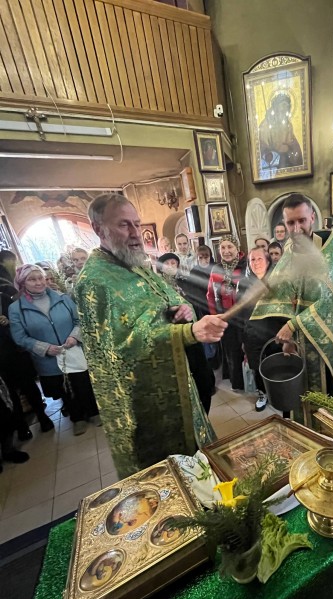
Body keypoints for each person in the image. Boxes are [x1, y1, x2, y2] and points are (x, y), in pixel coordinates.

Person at [78, 194, 226, 477]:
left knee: (196, 462)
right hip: (144, 397)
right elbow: (116, 348)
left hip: (178, 374)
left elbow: (164, 301)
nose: (135, 233)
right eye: (124, 225)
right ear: (99, 229)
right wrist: (188, 332)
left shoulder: (133, 263)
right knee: (168, 474)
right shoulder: (94, 281)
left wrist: (180, 310)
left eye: (136, 223)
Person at [251, 193, 333, 419]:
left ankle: (323, 437)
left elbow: (328, 301)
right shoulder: (289, 251)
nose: (297, 228)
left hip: (322, 341)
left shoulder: (328, 251)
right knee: (295, 399)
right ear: (284, 223)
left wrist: (293, 325)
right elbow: (279, 293)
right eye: (291, 222)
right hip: (296, 342)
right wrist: (287, 337)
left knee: (322, 400)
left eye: (302, 220)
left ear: (312, 218)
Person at [9, 264, 100, 436]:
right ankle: (77, 418)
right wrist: (45, 348)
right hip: (48, 359)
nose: (38, 282)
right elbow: (19, 337)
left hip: (73, 351)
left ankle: (94, 412)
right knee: (63, 389)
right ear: (22, 283)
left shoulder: (62, 298)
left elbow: (80, 320)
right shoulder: (16, 308)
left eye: (40, 278)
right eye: (32, 279)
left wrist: (74, 337)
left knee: (83, 384)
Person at [0, 251, 54, 438]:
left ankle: (42, 417)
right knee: (9, 393)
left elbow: (21, 321)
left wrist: (8, 322)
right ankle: (21, 426)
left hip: (14, 351)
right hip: (3, 356)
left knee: (27, 386)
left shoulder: (5, 296)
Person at [207, 235, 247, 392]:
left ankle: (253, 384)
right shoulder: (216, 269)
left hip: (244, 318)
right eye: (222, 247)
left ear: (237, 248)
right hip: (225, 318)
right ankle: (237, 383)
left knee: (246, 349)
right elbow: (210, 295)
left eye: (230, 247)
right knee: (231, 351)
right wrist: (214, 316)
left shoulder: (245, 267)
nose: (226, 251)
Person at [239, 247, 273, 411]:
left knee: (274, 364)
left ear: (268, 262)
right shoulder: (244, 284)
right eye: (252, 259)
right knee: (257, 367)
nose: (256, 263)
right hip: (252, 335)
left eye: (260, 259)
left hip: (274, 333)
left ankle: (276, 393)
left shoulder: (276, 281)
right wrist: (243, 339)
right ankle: (262, 394)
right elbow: (240, 314)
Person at [258, 93, 303, 176]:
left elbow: (293, 145)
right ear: (275, 109)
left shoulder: (288, 125)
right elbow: (263, 148)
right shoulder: (265, 125)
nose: (284, 113)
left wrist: (292, 149)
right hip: (273, 163)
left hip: (287, 161)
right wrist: (272, 151)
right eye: (282, 109)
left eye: (287, 109)